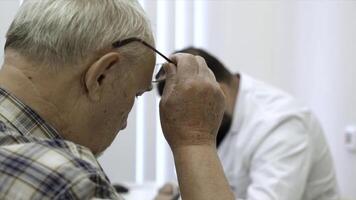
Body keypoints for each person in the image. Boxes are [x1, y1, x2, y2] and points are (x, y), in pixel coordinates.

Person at [0, 1, 234, 200]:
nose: (124, 124)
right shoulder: (65, 179)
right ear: (101, 76)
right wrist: (195, 141)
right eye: (135, 94)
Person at [156, 48, 340, 200]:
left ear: (216, 91)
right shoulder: (224, 116)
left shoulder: (282, 124)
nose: (185, 120)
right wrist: (174, 188)